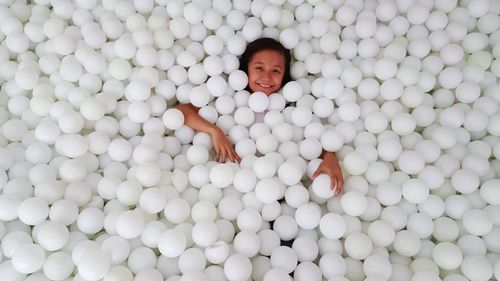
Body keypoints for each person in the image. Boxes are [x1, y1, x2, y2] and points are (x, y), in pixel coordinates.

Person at [177, 38, 344, 195]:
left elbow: (314, 138)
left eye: (276, 71)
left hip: (277, 187)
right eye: (259, 68)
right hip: (227, 181)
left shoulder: (291, 106)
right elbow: (182, 111)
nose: (267, 76)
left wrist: (330, 157)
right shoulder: (227, 98)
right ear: (246, 69)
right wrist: (214, 131)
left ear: (284, 75)